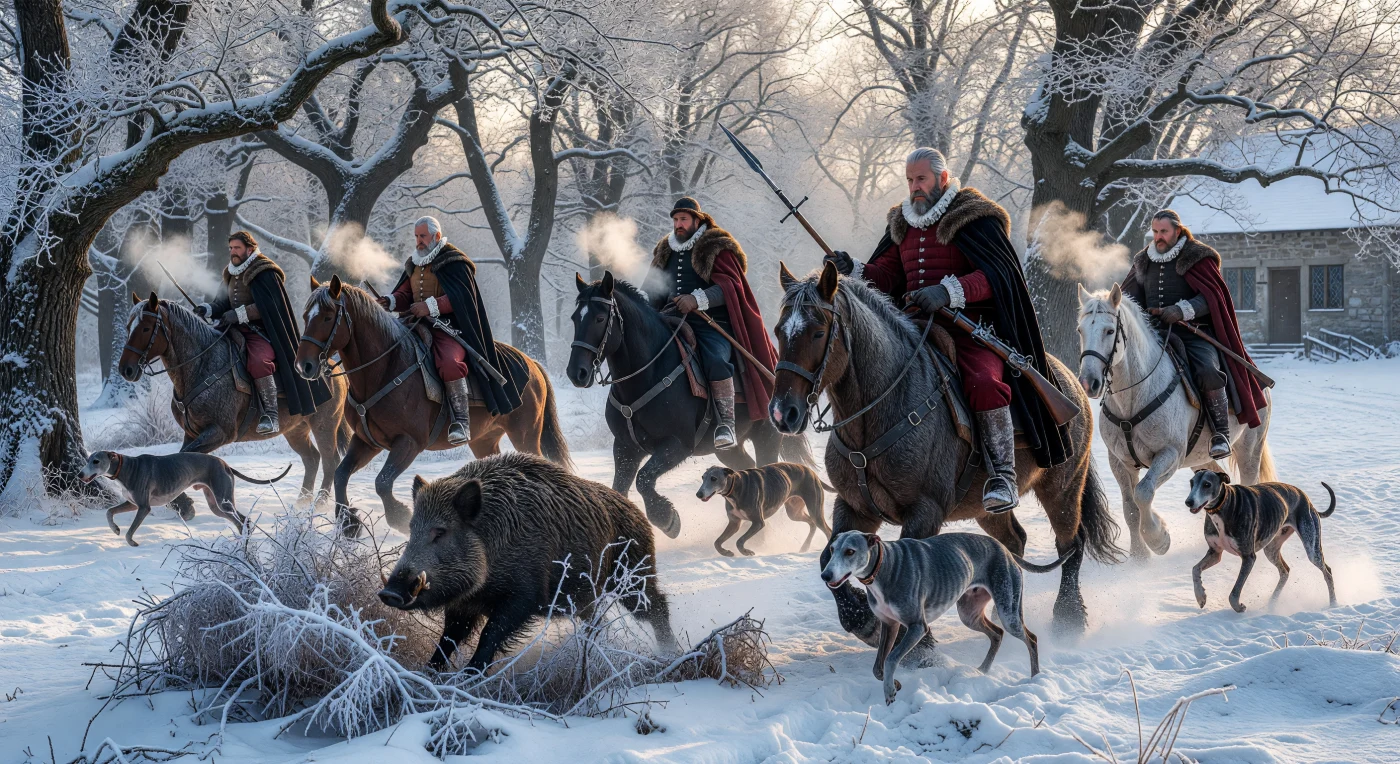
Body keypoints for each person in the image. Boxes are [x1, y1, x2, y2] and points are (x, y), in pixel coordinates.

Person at [824, 148, 1070, 513]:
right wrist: (855, 268)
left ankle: (1001, 473)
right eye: (909, 181)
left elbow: (998, 276)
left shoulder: (975, 218)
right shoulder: (902, 223)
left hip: (968, 330)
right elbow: (889, 276)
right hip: (912, 327)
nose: (914, 188)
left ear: (942, 178)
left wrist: (948, 292)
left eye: (921, 179)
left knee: (984, 384)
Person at [1120, 209, 1269, 458]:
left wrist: (1182, 310)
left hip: (1193, 333)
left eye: (1164, 231)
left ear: (1177, 230)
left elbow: (1214, 297)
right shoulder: (1143, 259)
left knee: (1209, 372)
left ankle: (1220, 433)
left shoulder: (1197, 256)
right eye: (1155, 232)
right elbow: (1128, 297)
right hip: (1152, 334)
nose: (1158, 237)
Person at [376, 216, 523, 444]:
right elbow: (405, 294)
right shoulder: (415, 262)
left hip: (449, 328)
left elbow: (462, 297)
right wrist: (391, 301)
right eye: (416, 237)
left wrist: (429, 307)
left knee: (449, 363)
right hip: (413, 325)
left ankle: (461, 422)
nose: (419, 242)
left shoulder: (454, 261)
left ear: (436, 236)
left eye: (422, 236)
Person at [647, 197, 777, 450]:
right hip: (670, 322)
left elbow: (731, 287)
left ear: (698, 219)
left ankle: (726, 423)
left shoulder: (716, 246)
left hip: (712, 325)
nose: (678, 225)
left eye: (683, 219)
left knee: (716, 361)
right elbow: (653, 287)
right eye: (675, 220)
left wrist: (696, 300)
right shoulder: (666, 249)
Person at [198, 231, 330, 434]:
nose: (233, 252)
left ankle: (270, 414)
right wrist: (208, 308)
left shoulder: (264, 271)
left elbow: (269, 305)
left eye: (237, 248)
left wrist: (239, 314)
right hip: (230, 329)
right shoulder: (230, 272)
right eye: (231, 248)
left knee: (259, 361)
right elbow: (222, 302)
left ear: (249, 249)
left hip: (259, 331)